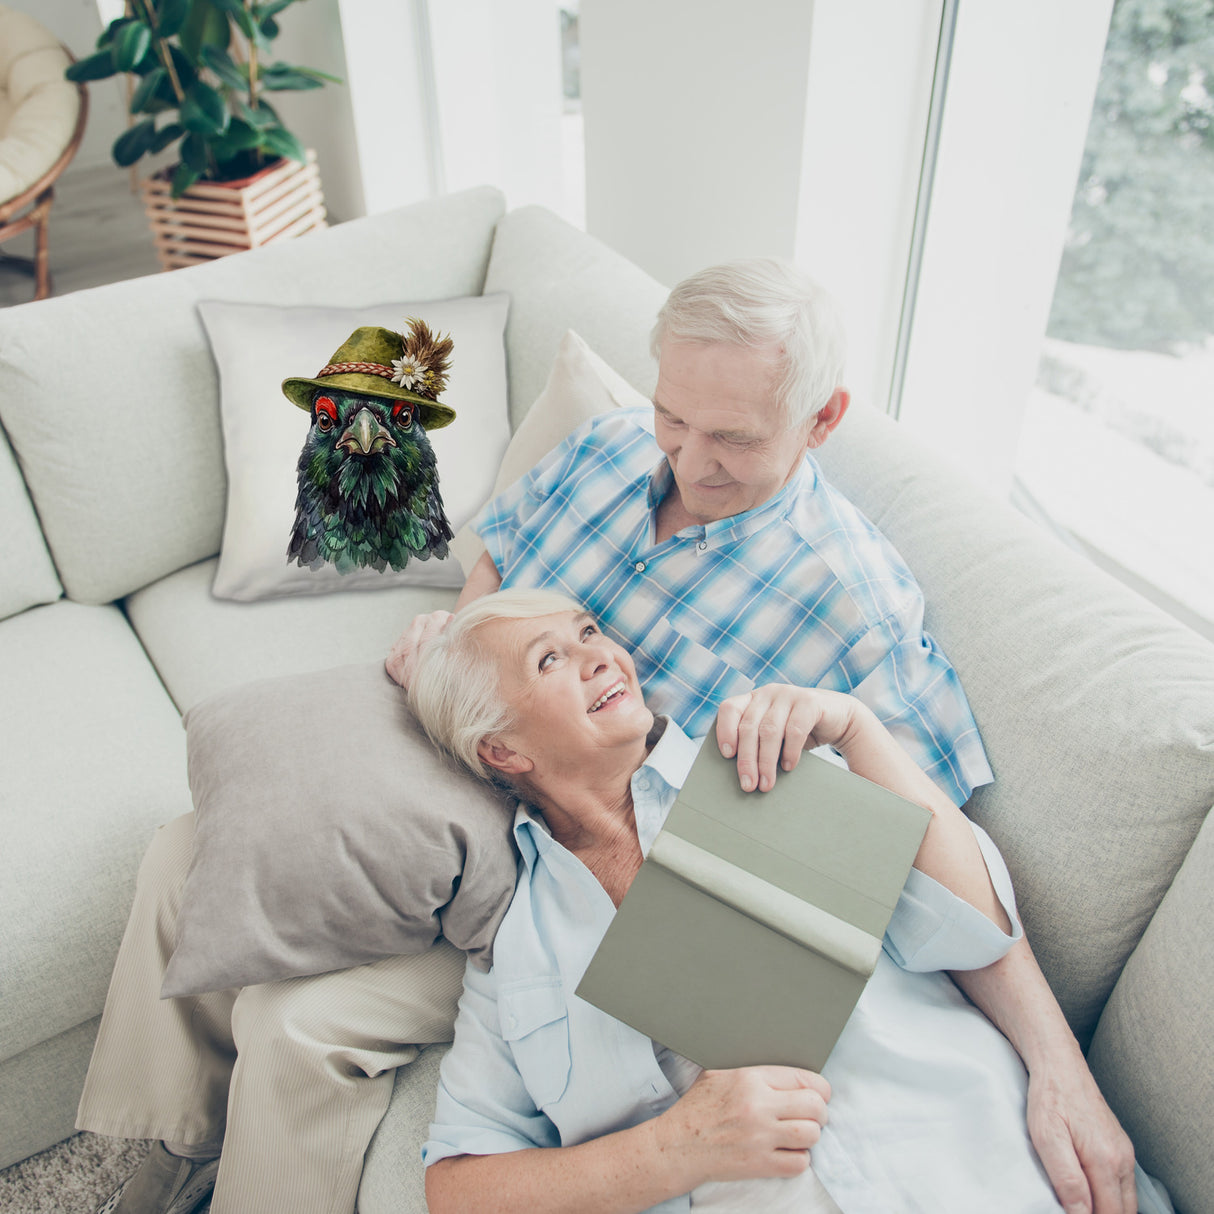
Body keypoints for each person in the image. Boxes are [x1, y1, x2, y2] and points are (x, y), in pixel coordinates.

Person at [79, 260, 1131, 1214]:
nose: (687, 457)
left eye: (732, 438)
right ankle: (159, 1150)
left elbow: (927, 856)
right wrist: (457, 643)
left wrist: (1057, 1063)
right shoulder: (609, 447)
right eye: (675, 416)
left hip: (577, 851)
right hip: (487, 746)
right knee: (192, 846)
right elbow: (500, 562)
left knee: (300, 1024)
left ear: (820, 420)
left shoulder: (853, 607)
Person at [407, 588, 1160, 1214]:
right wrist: (674, 1149)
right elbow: (458, 1187)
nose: (601, 655)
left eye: (589, 632)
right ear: (502, 750)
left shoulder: (761, 761)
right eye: (550, 659)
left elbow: (972, 929)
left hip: (985, 1167)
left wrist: (859, 731)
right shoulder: (517, 952)